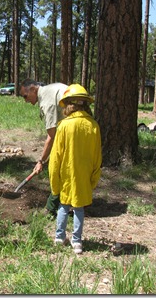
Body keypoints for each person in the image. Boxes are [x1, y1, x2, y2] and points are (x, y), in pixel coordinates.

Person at [48, 84, 102, 254]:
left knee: (63, 205)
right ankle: (77, 242)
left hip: (66, 174)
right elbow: (97, 156)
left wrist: (54, 181)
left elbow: (55, 157)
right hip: (84, 174)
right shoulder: (93, 125)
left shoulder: (63, 126)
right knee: (79, 207)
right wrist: (94, 177)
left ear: (68, 105)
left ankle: (59, 237)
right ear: (85, 104)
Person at [19, 79, 68, 217]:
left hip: (75, 130)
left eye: (25, 96)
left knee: (56, 168)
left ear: (33, 89)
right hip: (75, 128)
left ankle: (52, 208)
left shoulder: (47, 100)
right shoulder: (49, 91)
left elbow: (51, 136)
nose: (25, 100)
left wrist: (40, 161)